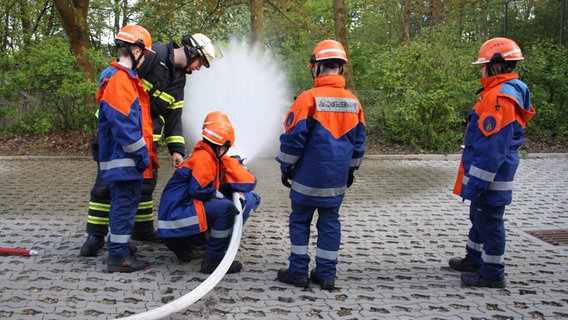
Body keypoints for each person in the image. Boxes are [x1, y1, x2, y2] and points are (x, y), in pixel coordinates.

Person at [80, 32, 223, 257]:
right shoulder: (150, 56)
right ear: (190, 52)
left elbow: (175, 114)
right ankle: (95, 236)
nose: (199, 68)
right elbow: (119, 92)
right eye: (199, 62)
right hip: (117, 138)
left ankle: (142, 229)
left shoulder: (178, 80)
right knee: (107, 186)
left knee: (145, 186)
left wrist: (176, 149)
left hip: (144, 143)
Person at [275, 40, 366, 290]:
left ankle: (298, 273)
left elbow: (293, 141)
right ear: (340, 69)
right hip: (336, 181)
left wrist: (285, 168)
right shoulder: (354, 103)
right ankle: (326, 275)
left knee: (300, 221)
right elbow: (359, 145)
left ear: (316, 67)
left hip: (307, 178)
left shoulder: (307, 99)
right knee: (329, 224)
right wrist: (350, 171)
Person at [449, 37, 536, 288]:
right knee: (479, 216)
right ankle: (474, 259)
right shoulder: (498, 93)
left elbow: (493, 146)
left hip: (490, 176)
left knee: (489, 220)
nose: (481, 69)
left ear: (496, 64)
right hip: (489, 173)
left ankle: (492, 272)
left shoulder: (500, 98)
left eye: (483, 64)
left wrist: (478, 181)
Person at [156, 111, 261, 274]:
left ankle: (185, 245)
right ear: (222, 145)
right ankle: (213, 260)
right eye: (226, 148)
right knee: (226, 208)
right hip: (175, 219)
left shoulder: (205, 155)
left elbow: (248, 183)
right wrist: (222, 197)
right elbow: (200, 190)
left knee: (232, 202)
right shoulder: (205, 158)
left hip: (174, 219)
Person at [96, 25, 158, 272]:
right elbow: (124, 124)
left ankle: (118, 246)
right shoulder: (121, 79)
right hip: (125, 158)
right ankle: (118, 257)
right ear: (135, 50)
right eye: (145, 53)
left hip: (120, 157)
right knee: (125, 204)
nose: (145, 59)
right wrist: (140, 153)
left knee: (123, 203)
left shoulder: (116, 75)